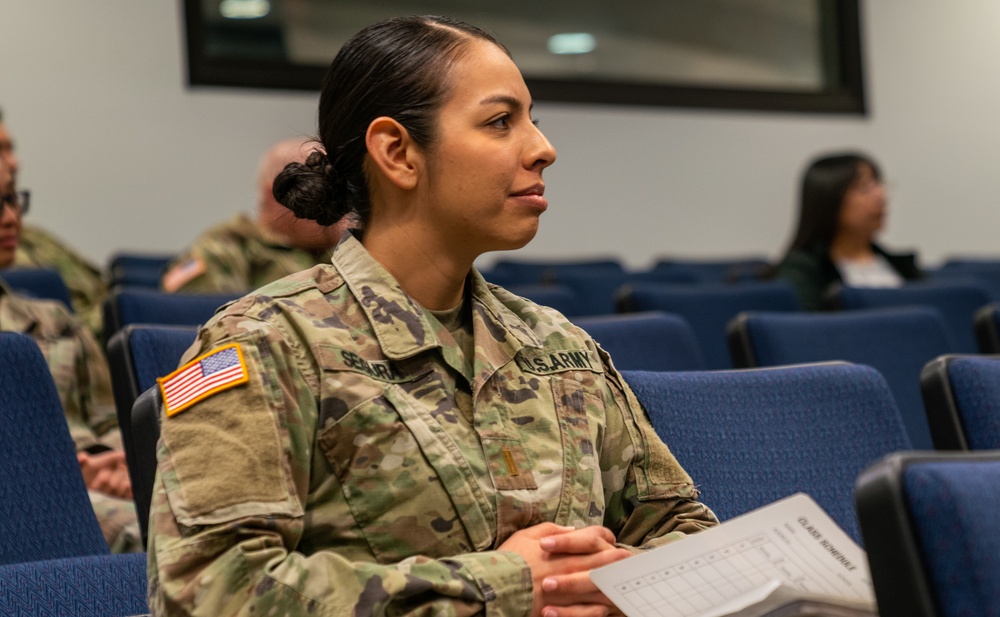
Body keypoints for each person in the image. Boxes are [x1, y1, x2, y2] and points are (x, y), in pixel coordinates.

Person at [147, 15, 717, 617]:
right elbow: (210, 589)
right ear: (397, 152)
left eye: (533, 121)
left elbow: (682, 526)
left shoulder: (558, 343)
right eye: (501, 122)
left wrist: (618, 584)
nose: (543, 149)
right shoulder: (265, 344)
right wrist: (507, 584)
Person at [0, 159, 140, 553]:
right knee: (154, 544)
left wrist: (115, 462)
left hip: (98, 488)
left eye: (12, 200)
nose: (11, 218)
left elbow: (111, 415)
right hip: (27, 496)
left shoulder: (53, 319)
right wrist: (64, 476)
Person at [161, 138, 352, 294]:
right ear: (278, 195)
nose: (339, 206)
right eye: (321, 192)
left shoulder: (346, 251)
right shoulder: (226, 247)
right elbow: (199, 320)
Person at [0, 106, 109, 338]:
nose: (13, 162)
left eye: (11, 200)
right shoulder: (14, 261)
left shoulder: (34, 237)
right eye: (1, 150)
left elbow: (101, 288)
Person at [774, 152, 923, 310]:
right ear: (829, 198)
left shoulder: (903, 267)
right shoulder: (803, 272)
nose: (881, 195)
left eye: (878, 184)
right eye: (864, 187)